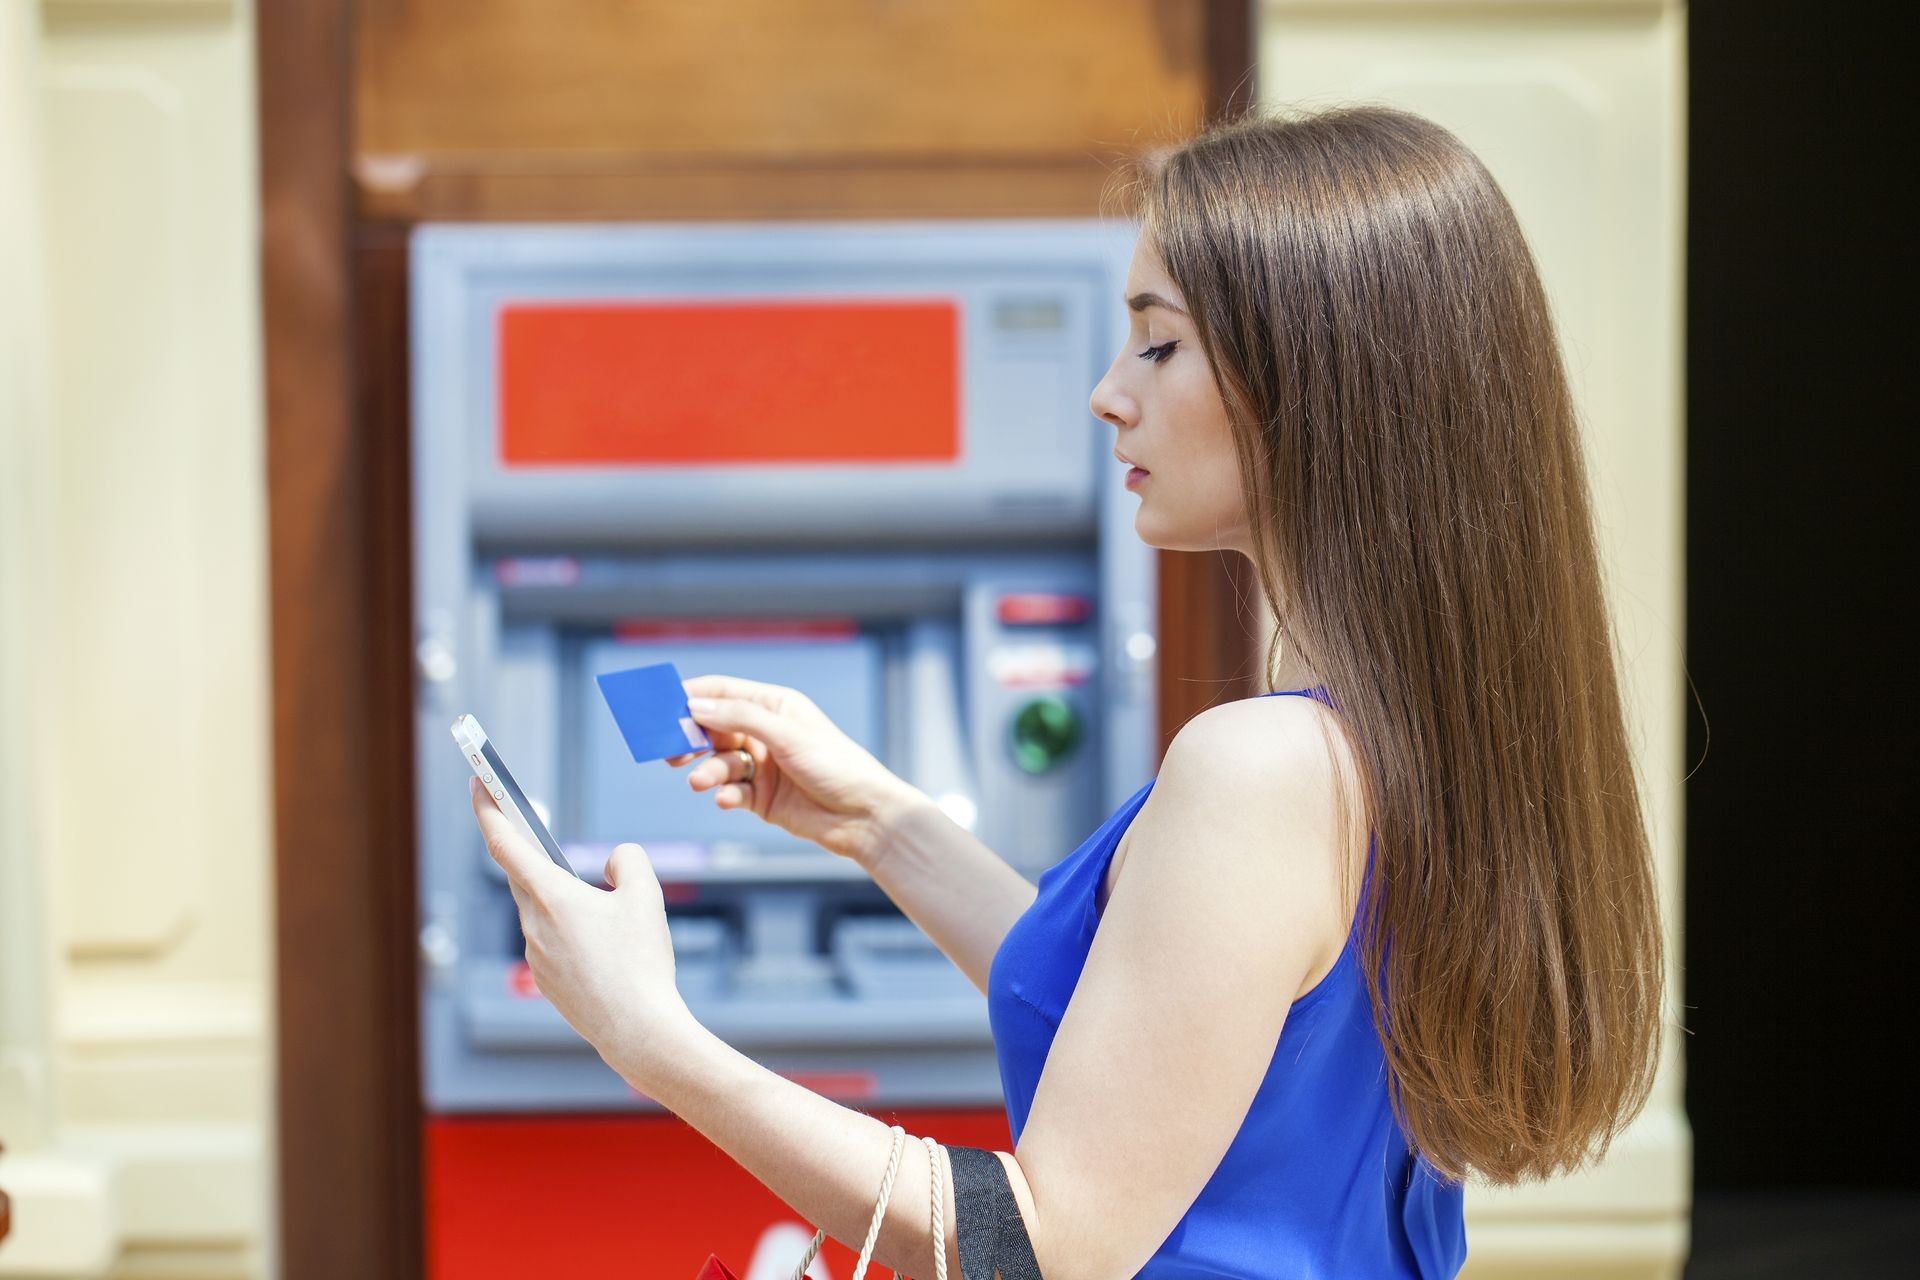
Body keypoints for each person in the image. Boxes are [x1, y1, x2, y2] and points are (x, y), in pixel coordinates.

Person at [469, 105, 1666, 1279]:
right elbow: (1154, 1030)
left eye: (1158, 340)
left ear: (1314, 372)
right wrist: (879, 824)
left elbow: (1039, 1244)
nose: (1108, 391)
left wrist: (647, 1033)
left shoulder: (1261, 768)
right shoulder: (1406, 735)